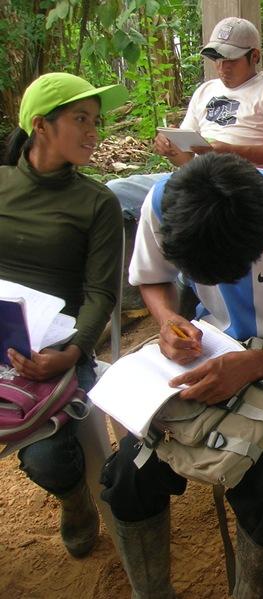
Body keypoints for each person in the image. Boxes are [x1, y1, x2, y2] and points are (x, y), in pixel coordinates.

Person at [100, 153, 263, 598]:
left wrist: (254, 365)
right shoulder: (168, 203)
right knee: (129, 472)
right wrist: (167, 319)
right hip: (209, 347)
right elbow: (153, 277)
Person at [0, 72, 127, 557]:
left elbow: (100, 293)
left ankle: (74, 499)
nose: (94, 131)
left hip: (52, 353)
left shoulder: (96, 203)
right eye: (81, 119)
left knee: (50, 459)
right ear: (41, 126)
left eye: (96, 121)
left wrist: (74, 351)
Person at [108, 17, 263, 223]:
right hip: (195, 178)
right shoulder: (206, 90)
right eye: (217, 59)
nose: (223, 67)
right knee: (113, 192)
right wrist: (171, 147)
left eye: (231, 60)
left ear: (254, 56)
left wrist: (229, 152)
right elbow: (186, 160)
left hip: (240, 184)